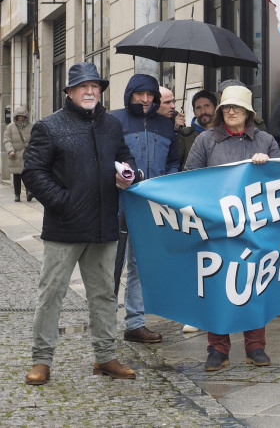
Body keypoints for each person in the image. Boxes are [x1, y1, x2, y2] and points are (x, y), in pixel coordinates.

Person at [22, 62, 138, 385]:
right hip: (64, 227)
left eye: (95, 86)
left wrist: (130, 173)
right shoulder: (49, 126)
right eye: (83, 87)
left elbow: (126, 157)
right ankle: (41, 360)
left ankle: (105, 357)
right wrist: (63, 202)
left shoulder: (112, 125)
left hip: (103, 226)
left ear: (101, 91)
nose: (90, 92)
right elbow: (33, 173)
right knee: (51, 293)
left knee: (103, 294)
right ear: (70, 92)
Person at [184, 84, 280, 371]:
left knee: (254, 285)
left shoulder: (265, 141)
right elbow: (191, 178)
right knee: (217, 289)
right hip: (217, 226)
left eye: (236, 107)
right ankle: (217, 349)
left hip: (254, 226)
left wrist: (267, 166)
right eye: (226, 107)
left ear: (248, 112)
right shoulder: (205, 141)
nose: (231, 111)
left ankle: (256, 347)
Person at [110, 74, 180, 345]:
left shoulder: (166, 125)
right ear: (129, 94)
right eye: (140, 94)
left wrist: (168, 182)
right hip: (118, 200)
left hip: (151, 202)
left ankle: (135, 323)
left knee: (140, 264)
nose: (146, 99)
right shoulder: (114, 120)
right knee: (111, 263)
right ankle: (105, 321)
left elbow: (174, 161)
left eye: (151, 95)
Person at [177, 90, 218, 169]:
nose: (203, 111)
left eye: (207, 106)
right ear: (194, 112)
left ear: (216, 107)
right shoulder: (185, 134)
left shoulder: (224, 133)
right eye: (198, 108)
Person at [4, 105, 32, 201]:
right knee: (17, 175)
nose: (20, 118)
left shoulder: (31, 126)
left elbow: (35, 139)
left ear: (25, 117)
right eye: (19, 116)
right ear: (16, 117)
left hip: (27, 154)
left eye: (22, 116)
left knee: (28, 174)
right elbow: (7, 140)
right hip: (15, 155)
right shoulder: (10, 127)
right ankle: (17, 194)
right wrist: (10, 150)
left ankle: (29, 191)